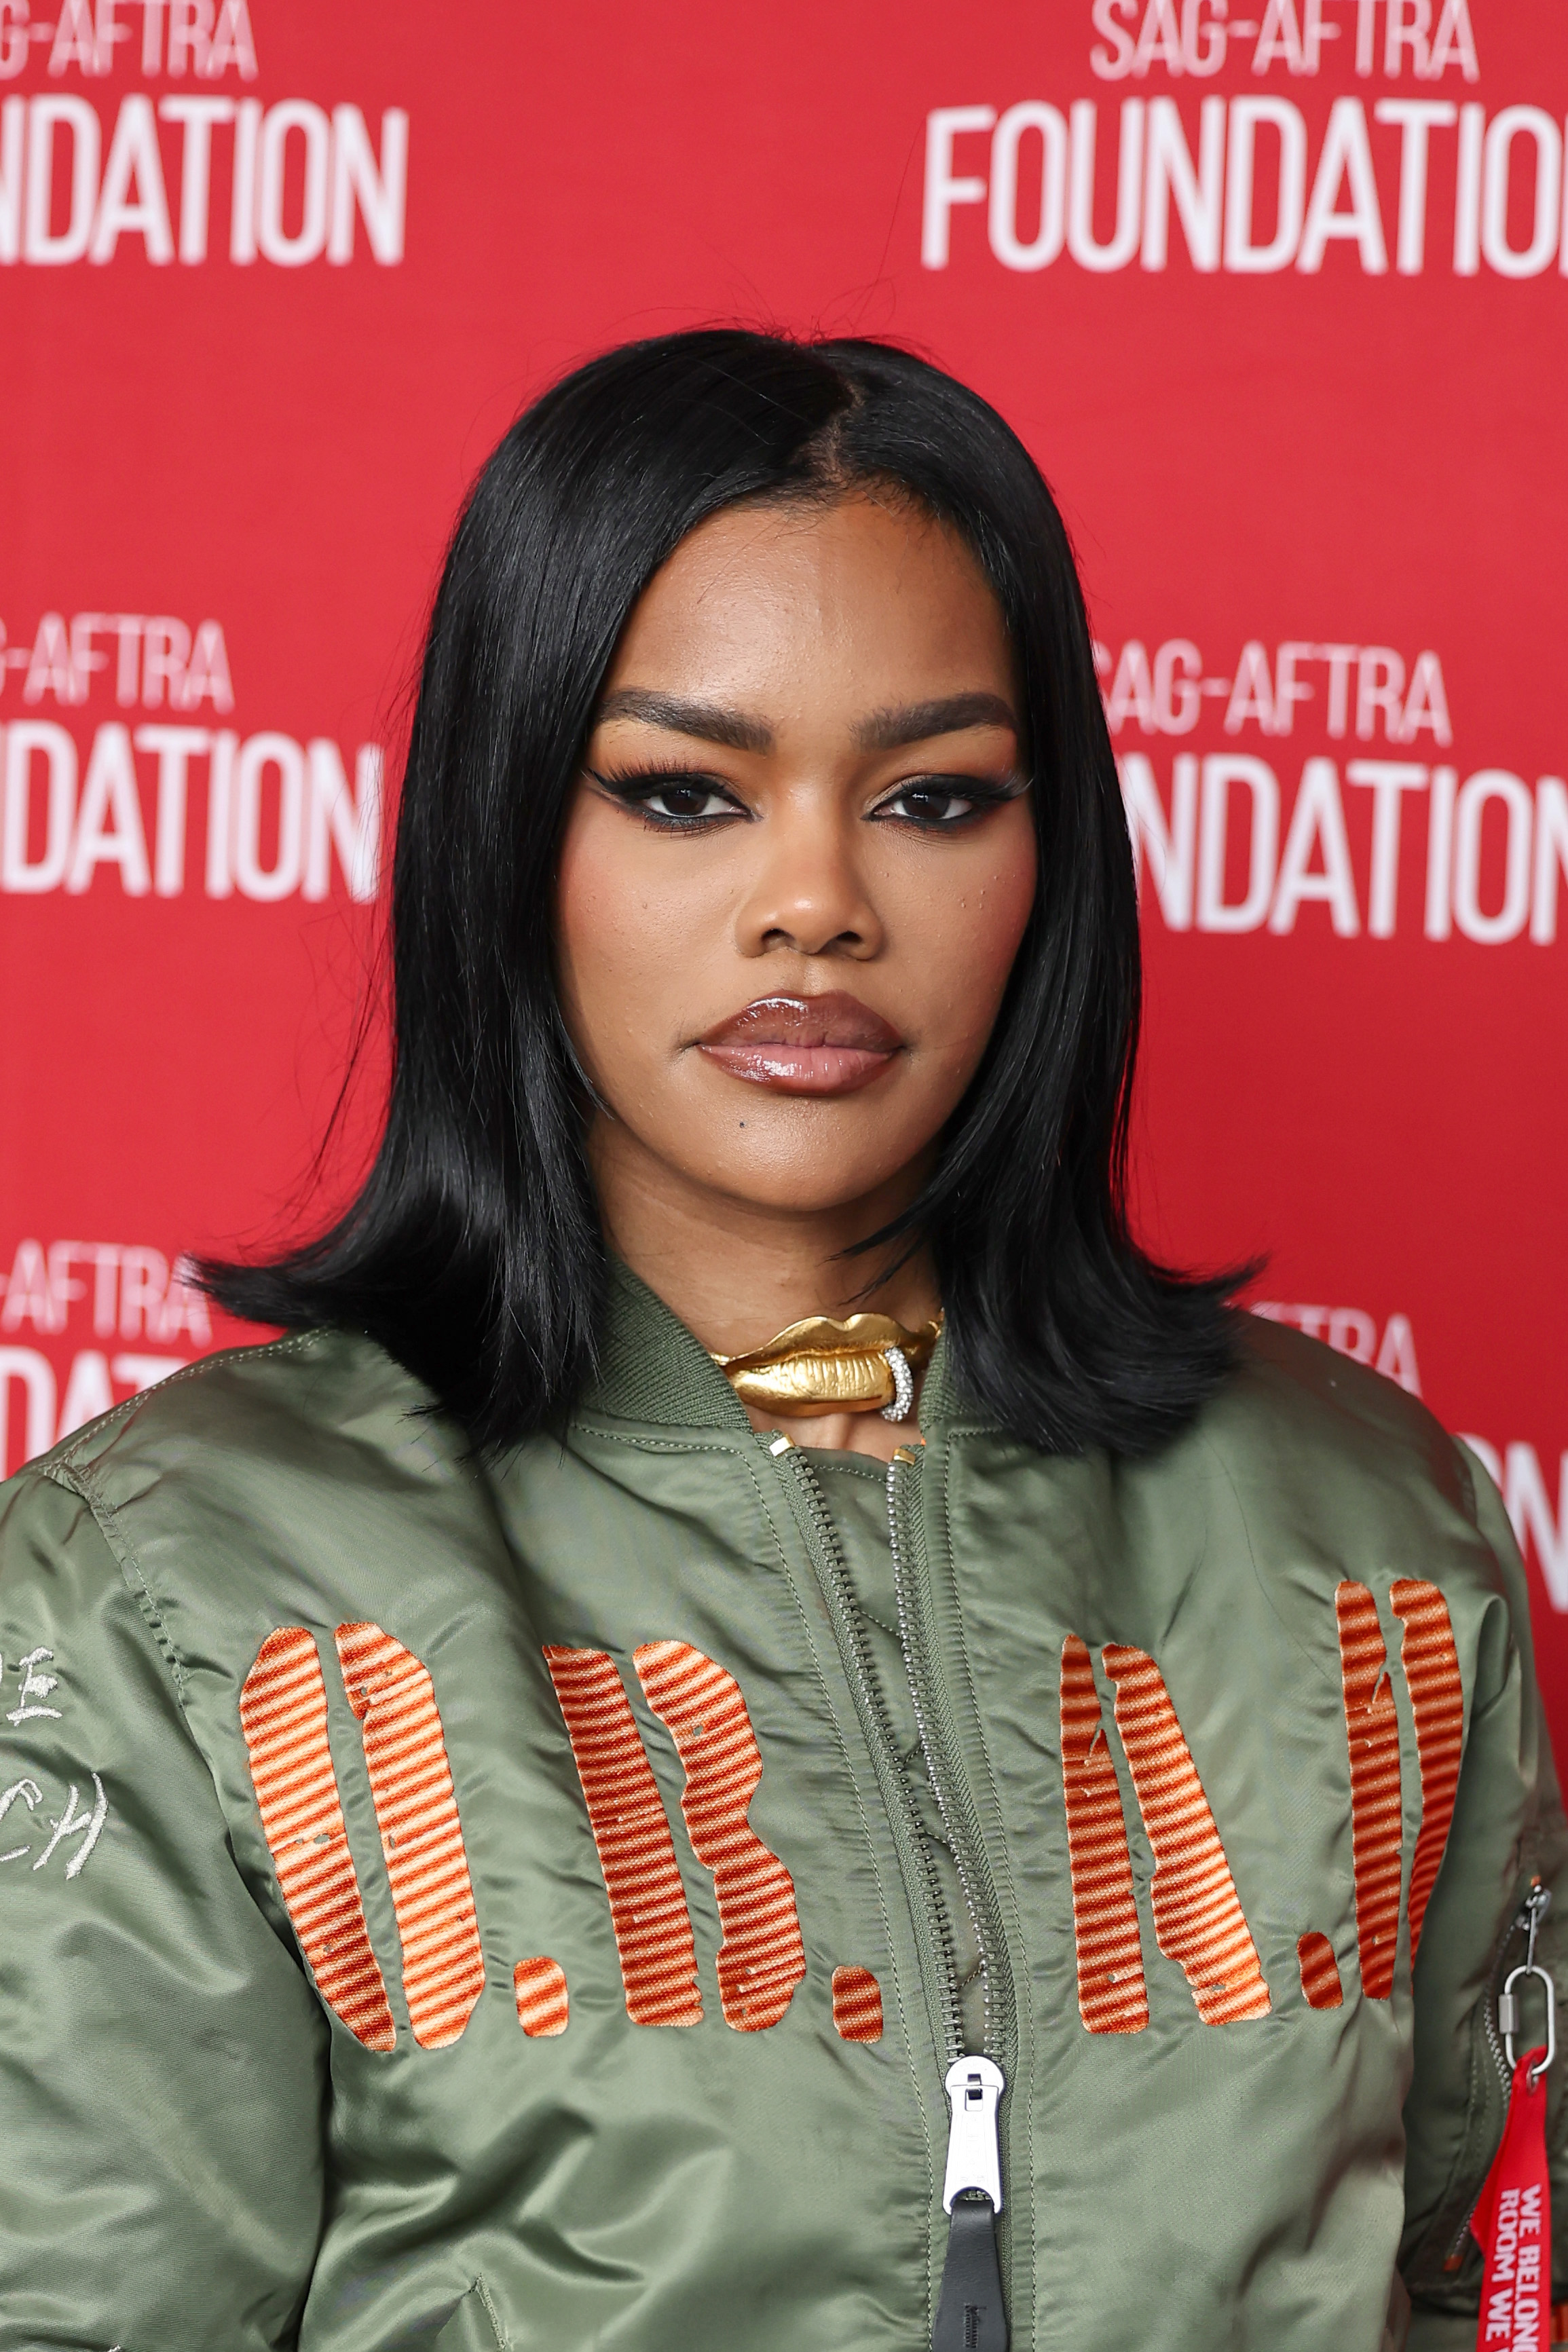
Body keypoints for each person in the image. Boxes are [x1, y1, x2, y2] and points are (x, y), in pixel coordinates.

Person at [0, 329, 1560, 2352]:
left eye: (928, 794)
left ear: (1046, 854)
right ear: (511, 840)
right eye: (682, 791)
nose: (814, 900)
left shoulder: (1373, 1531)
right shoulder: (183, 1579)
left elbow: (1480, 2288)